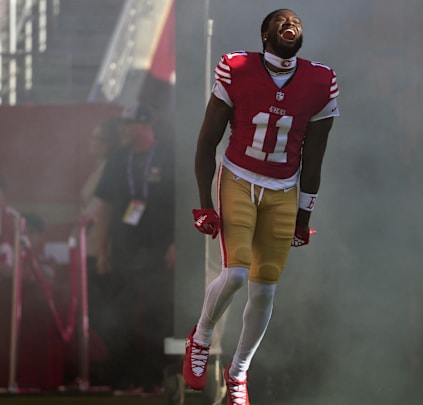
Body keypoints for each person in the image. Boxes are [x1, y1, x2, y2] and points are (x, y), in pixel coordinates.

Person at [183, 8, 339, 405]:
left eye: (297, 20)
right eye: (281, 19)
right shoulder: (237, 68)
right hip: (239, 177)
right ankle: (200, 340)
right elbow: (207, 142)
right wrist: (204, 203)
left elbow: (314, 158)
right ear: (265, 34)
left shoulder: (321, 81)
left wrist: (305, 215)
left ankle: (238, 374)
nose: (292, 22)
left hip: (284, 189)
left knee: (265, 290)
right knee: (235, 275)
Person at [94, 102, 175, 394]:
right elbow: (105, 206)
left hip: (158, 251)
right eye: (122, 124)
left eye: (128, 124)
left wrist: (177, 243)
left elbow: (185, 202)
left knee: (157, 316)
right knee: (118, 316)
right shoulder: (117, 159)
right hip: (124, 250)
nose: (123, 129)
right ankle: (122, 379)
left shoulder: (168, 156)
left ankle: (154, 379)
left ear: (144, 125)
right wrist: (102, 250)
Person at [76, 116, 126, 386]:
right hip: (91, 247)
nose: (91, 143)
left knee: (102, 310)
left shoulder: (109, 170)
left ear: (106, 143)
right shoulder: (101, 169)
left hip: (98, 249)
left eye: (96, 138)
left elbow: (98, 210)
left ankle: (107, 365)